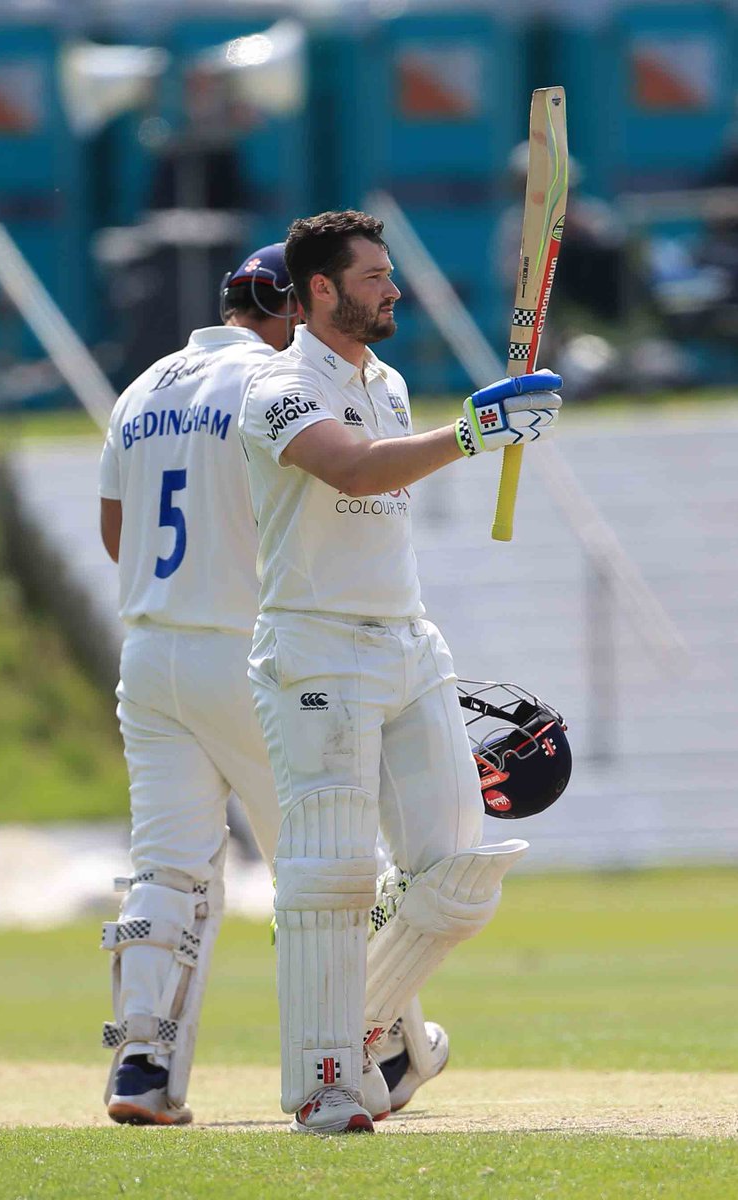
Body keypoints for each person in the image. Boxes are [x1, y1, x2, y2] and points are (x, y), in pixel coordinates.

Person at [97, 243, 447, 1128]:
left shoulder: (143, 389)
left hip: (149, 655)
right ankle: (386, 1046)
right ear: (297, 305)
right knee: (328, 866)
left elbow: (117, 533)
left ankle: (143, 1067)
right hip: (249, 648)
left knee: (168, 868)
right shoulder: (274, 385)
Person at [239, 210, 562, 1135]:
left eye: (390, 273)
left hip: (408, 642)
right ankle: (324, 1082)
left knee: (460, 874)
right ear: (322, 292)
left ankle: (371, 1026)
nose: (393, 288)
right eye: (374, 276)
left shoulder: (387, 381)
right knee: (335, 873)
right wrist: (475, 433)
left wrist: (489, 430)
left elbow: (390, 464)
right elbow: (354, 472)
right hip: (314, 647)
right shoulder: (279, 387)